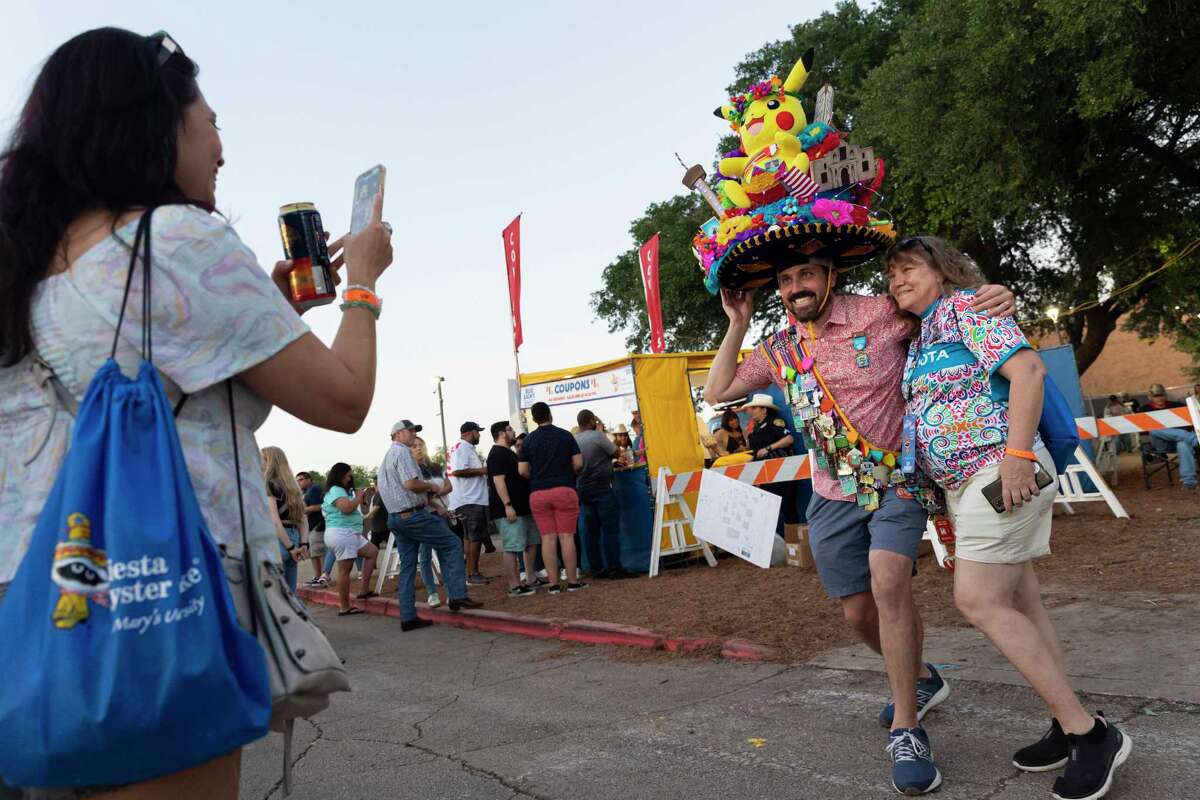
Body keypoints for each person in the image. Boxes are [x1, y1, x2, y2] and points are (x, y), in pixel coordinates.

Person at [0, 27, 393, 796]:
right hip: (150, 594)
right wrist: (365, 282)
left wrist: (269, 311)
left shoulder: (19, 268)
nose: (221, 150)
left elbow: (172, 394)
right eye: (210, 123)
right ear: (156, 126)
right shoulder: (177, 241)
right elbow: (345, 398)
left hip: (24, 605)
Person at [887, 235, 1131, 800]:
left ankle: (1092, 735)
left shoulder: (967, 308)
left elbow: (1028, 371)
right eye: (892, 274)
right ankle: (1064, 724)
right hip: (965, 485)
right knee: (1022, 601)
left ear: (942, 271)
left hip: (1000, 471)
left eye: (909, 268)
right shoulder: (922, 336)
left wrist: (1017, 456)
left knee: (978, 599)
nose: (897, 280)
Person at [377, 420, 481, 631]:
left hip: (396, 517)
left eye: (414, 431)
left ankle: (408, 617)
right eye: (410, 431)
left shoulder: (387, 456)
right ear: (398, 433)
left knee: (408, 566)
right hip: (412, 515)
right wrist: (430, 486)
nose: (414, 434)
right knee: (452, 544)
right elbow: (411, 484)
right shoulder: (402, 452)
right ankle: (457, 595)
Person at [519, 402, 588, 594]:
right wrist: (567, 473)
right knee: (567, 537)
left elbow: (522, 470)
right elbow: (578, 463)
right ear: (550, 414)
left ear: (534, 419)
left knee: (547, 539)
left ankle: (553, 585)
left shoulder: (528, 441)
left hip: (538, 492)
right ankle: (572, 581)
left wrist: (536, 477)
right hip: (564, 488)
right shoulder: (565, 435)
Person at [574, 409, 633, 580]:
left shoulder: (574, 439)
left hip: (583, 489)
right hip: (601, 487)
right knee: (610, 530)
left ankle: (596, 569)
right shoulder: (597, 436)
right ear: (592, 421)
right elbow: (616, 452)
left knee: (591, 532)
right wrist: (601, 431)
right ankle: (614, 568)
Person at [487, 421, 540, 596]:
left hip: (523, 507)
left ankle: (531, 578)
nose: (514, 432)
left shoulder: (509, 453)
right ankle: (514, 585)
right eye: (510, 429)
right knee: (512, 546)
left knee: (531, 542)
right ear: (502, 433)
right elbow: (498, 481)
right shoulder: (496, 454)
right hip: (509, 510)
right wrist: (508, 505)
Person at [321, 463, 377, 616]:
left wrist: (357, 499)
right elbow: (346, 508)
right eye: (348, 476)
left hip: (349, 533)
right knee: (344, 571)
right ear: (339, 475)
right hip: (342, 533)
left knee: (372, 552)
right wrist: (358, 497)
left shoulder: (340, 491)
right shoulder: (335, 489)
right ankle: (344, 607)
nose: (350, 479)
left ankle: (364, 590)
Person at [448, 421, 492, 585]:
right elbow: (457, 471)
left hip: (468, 499)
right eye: (477, 431)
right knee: (475, 538)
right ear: (468, 433)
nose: (479, 434)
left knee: (469, 537)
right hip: (469, 499)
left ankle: (471, 572)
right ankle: (472, 573)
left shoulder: (464, 448)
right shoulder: (462, 447)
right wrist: (482, 470)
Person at [261, 447, 309, 592]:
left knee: (275, 595)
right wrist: (303, 544)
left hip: (278, 541)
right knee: (290, 593)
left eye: (261, 458)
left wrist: (290, 548)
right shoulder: (293, 486)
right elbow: (303, 519)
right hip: (295, 538)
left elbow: (275, 521)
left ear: (269, 461)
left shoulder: (269, 484)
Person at [411, 435, 450, 606]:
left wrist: (435, 493)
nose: (418, 448)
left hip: (442, 513)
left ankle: (450, 591)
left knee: (444, 554)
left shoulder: (435, 467)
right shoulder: (413, 470)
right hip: (426, 515)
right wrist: (433, 499)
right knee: (425, 555)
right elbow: (420, 495)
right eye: (414, 446)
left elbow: (449, 486)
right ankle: (432, 593)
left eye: (420, 445)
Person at [1146, 383, 1197, 489]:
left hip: (1179, 440)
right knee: (1154, 429)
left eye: (1161, 395)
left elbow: (1188, 425)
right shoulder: (1144, 409)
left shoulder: (1177, 405)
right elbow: (1143, 431)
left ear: (1165, 395)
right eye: (1156, 396)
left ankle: (1188, 482)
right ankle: (1195, 439)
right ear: (1150, 397)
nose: (1159, 398)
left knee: (1183, 445)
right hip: (1160, 443)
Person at [298, 472, 329, 587]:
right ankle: (318, 577)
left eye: (301, 479)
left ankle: (323, 578)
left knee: (319, 552)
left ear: (308, 479)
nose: (299, 482)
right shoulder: (306, 491)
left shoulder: (314, 489)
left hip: (318, 525)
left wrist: (301, 510)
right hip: (310, 526)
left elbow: (319, 506)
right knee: (313, 554)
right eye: (297, 480)